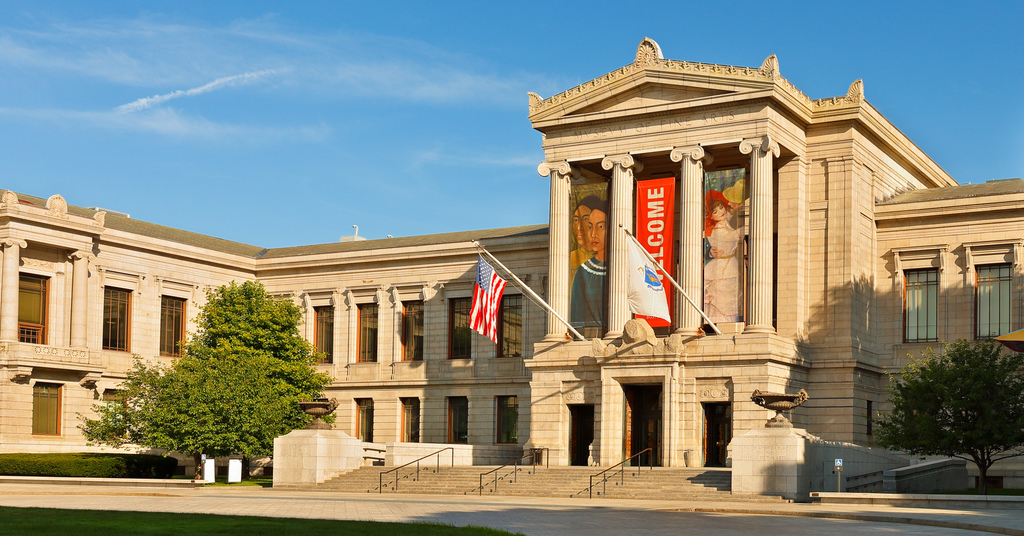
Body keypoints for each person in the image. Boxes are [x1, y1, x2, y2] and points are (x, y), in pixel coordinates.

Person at [703, 190, 743, 323]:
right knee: (722, 301)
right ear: (711, 216)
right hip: (721, 269)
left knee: (730, 299)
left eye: (721, 207)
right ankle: (723, 324)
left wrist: (732, 207)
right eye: (715, 211)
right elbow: (735, 235)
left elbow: (728, 216)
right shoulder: (717, 231)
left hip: (729, 265)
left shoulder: (723, 222)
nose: (720, 212)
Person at [570, 196, 608, 329]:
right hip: (588, 337)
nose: (593, 234)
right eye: (591, 227)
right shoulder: (584, 271)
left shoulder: (625, 267)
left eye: (601, 226)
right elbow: (576, 315)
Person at [569, 202, 595, 283]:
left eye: (585, 219)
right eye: (575, 220)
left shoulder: (605, 257)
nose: (579, 227)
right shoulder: (569, 258)